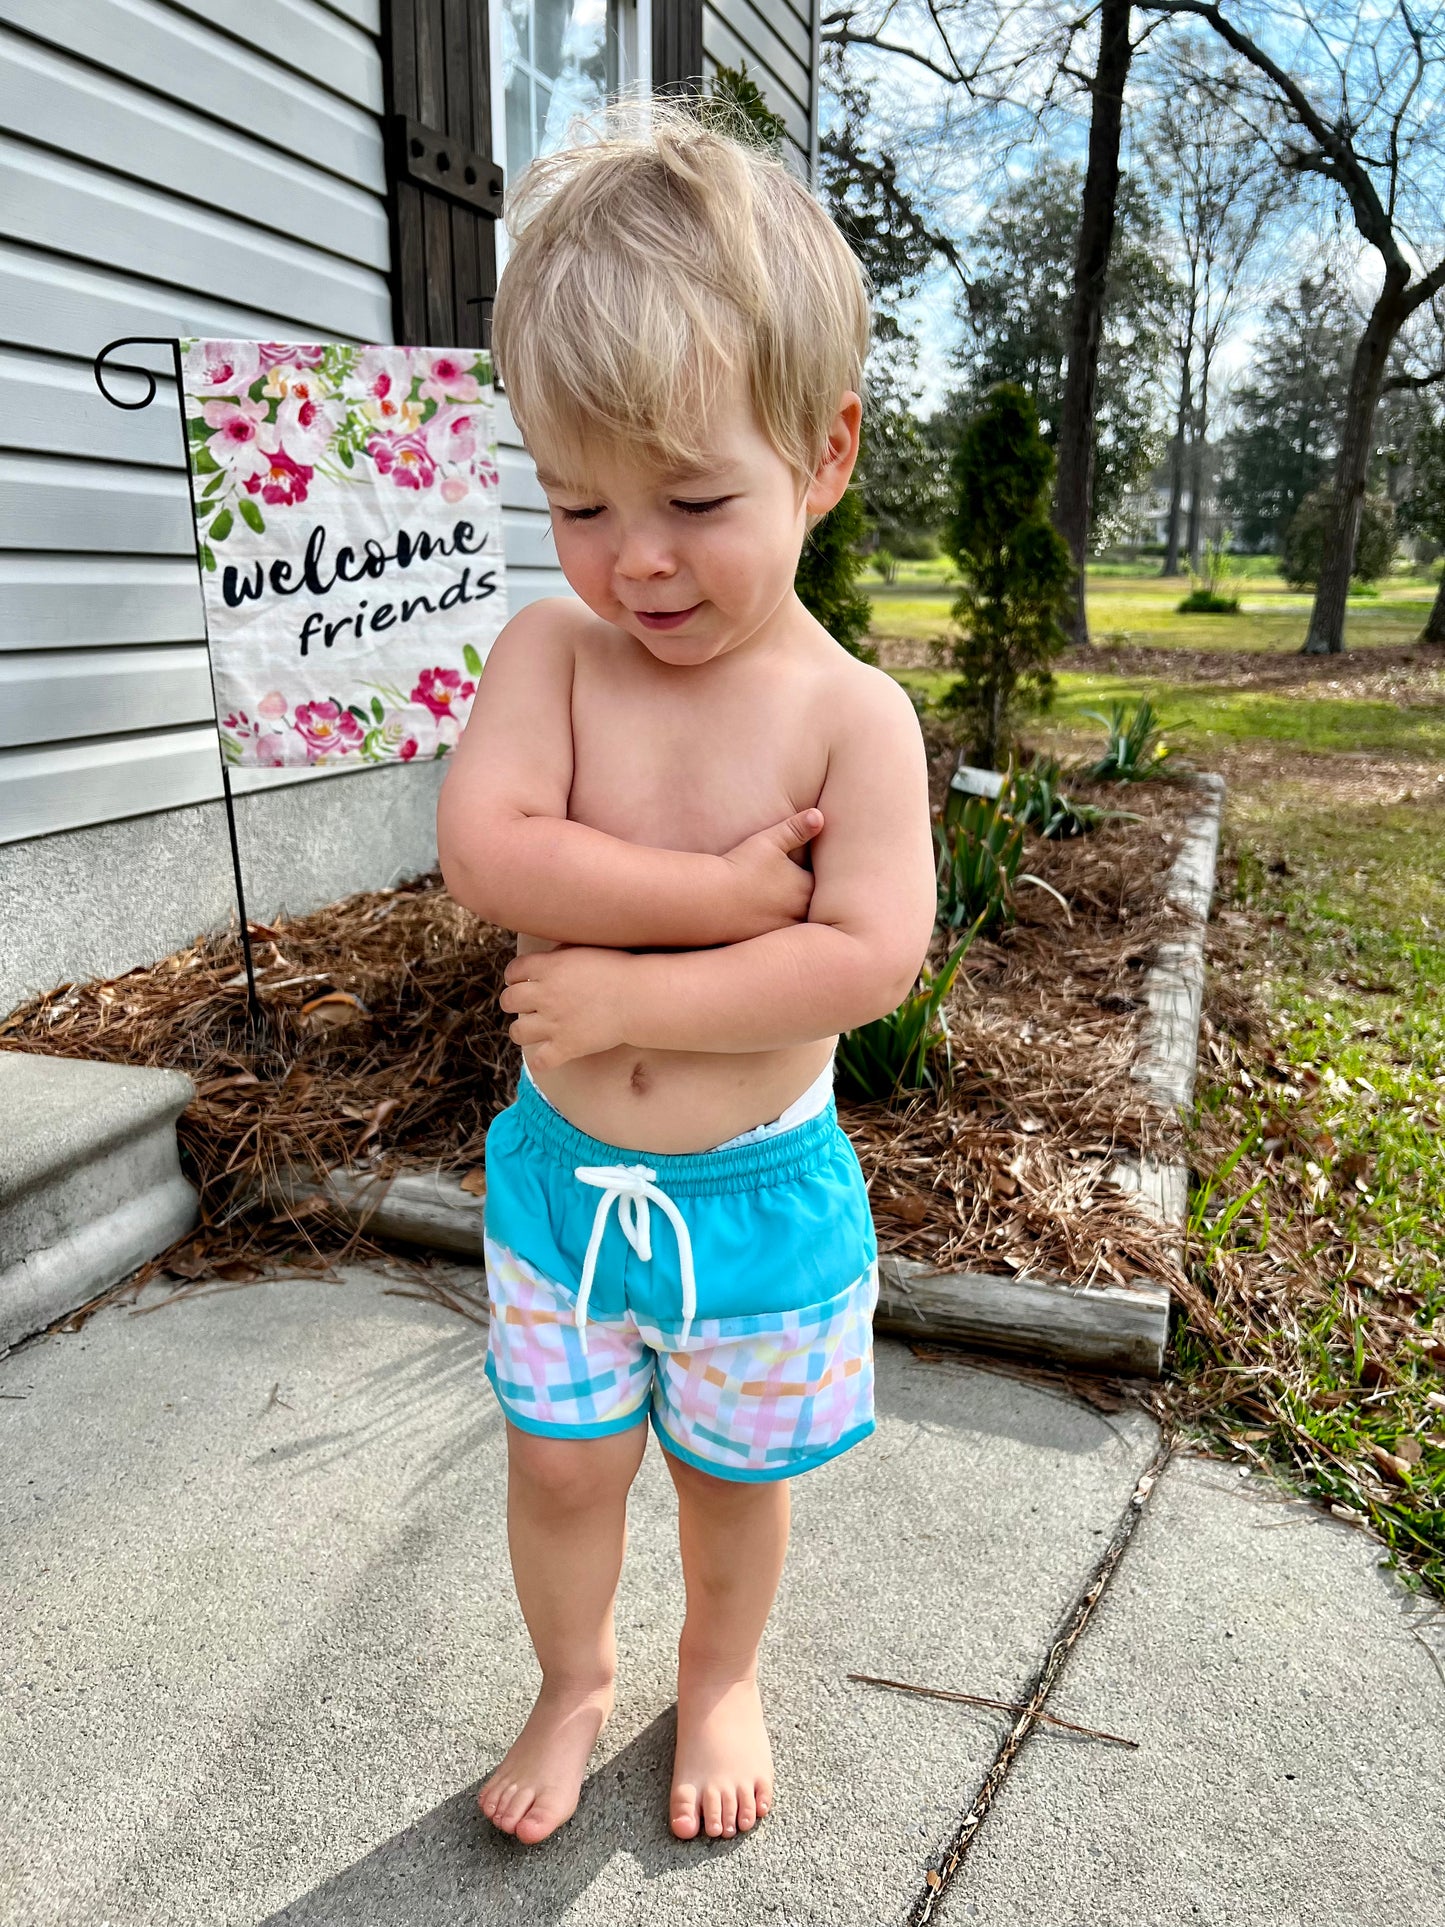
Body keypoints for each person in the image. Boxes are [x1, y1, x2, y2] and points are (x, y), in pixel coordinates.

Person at [435, 107, 937, 1850]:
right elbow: (491, 853)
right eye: (577, 501)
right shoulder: (552, 656)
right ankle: (574, 1676)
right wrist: (721, 892)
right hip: (566, 1191)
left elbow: (866, 956)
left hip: (759, 1202)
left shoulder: (848, 717)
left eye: (692, 499)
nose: (632, 554)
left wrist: (635, 993)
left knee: (734, 1482)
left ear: (823, 453)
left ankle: (715, 1674)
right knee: (559, 1463)